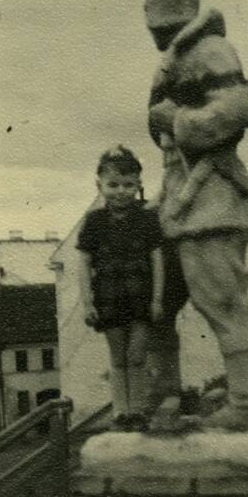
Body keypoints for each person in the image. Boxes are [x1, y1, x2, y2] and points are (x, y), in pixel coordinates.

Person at [143, 0, 248, 431]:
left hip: (212, 206)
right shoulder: (183, 55)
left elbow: (237, 111)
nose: (150, 27)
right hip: (182, 205)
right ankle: (165, 401)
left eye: (154, 17)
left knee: (223, 306)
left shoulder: (209, 50)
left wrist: (175, 120)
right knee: (158, 304)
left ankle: (245, 404)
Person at [77, 146, 164, 431]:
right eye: (113, 185)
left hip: (140, 296)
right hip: (109, 296)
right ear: (99, 185)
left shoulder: (147, 218)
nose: (120, 191)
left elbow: (157, 260)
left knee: (137, 355)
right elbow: (84, 263)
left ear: (138, 185)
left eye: (128, 185)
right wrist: (88, 303)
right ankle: (121, 412)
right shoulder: (94, 222)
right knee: (118, 356)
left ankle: (137, 411)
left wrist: (157, 299)